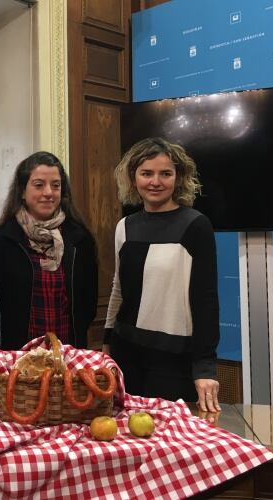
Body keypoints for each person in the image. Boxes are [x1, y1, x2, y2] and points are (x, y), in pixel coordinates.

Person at [103, 137, 220, 413]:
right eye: (147, 173)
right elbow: (118, 288)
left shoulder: (195, 226)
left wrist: (205, 367)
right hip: (126, 353)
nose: (155, 181)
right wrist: (107, 345)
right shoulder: (125, 227)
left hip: (174, 359)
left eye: (165, 173)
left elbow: (206, 300)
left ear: (178, 178)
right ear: (133, 178)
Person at [0, 151, 98, 351]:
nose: (48, 192)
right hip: (17, 356)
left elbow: (88, 303)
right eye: (39, 185)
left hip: (68, 353)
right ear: (22, 191)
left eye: (56, 185)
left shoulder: (80, 240)